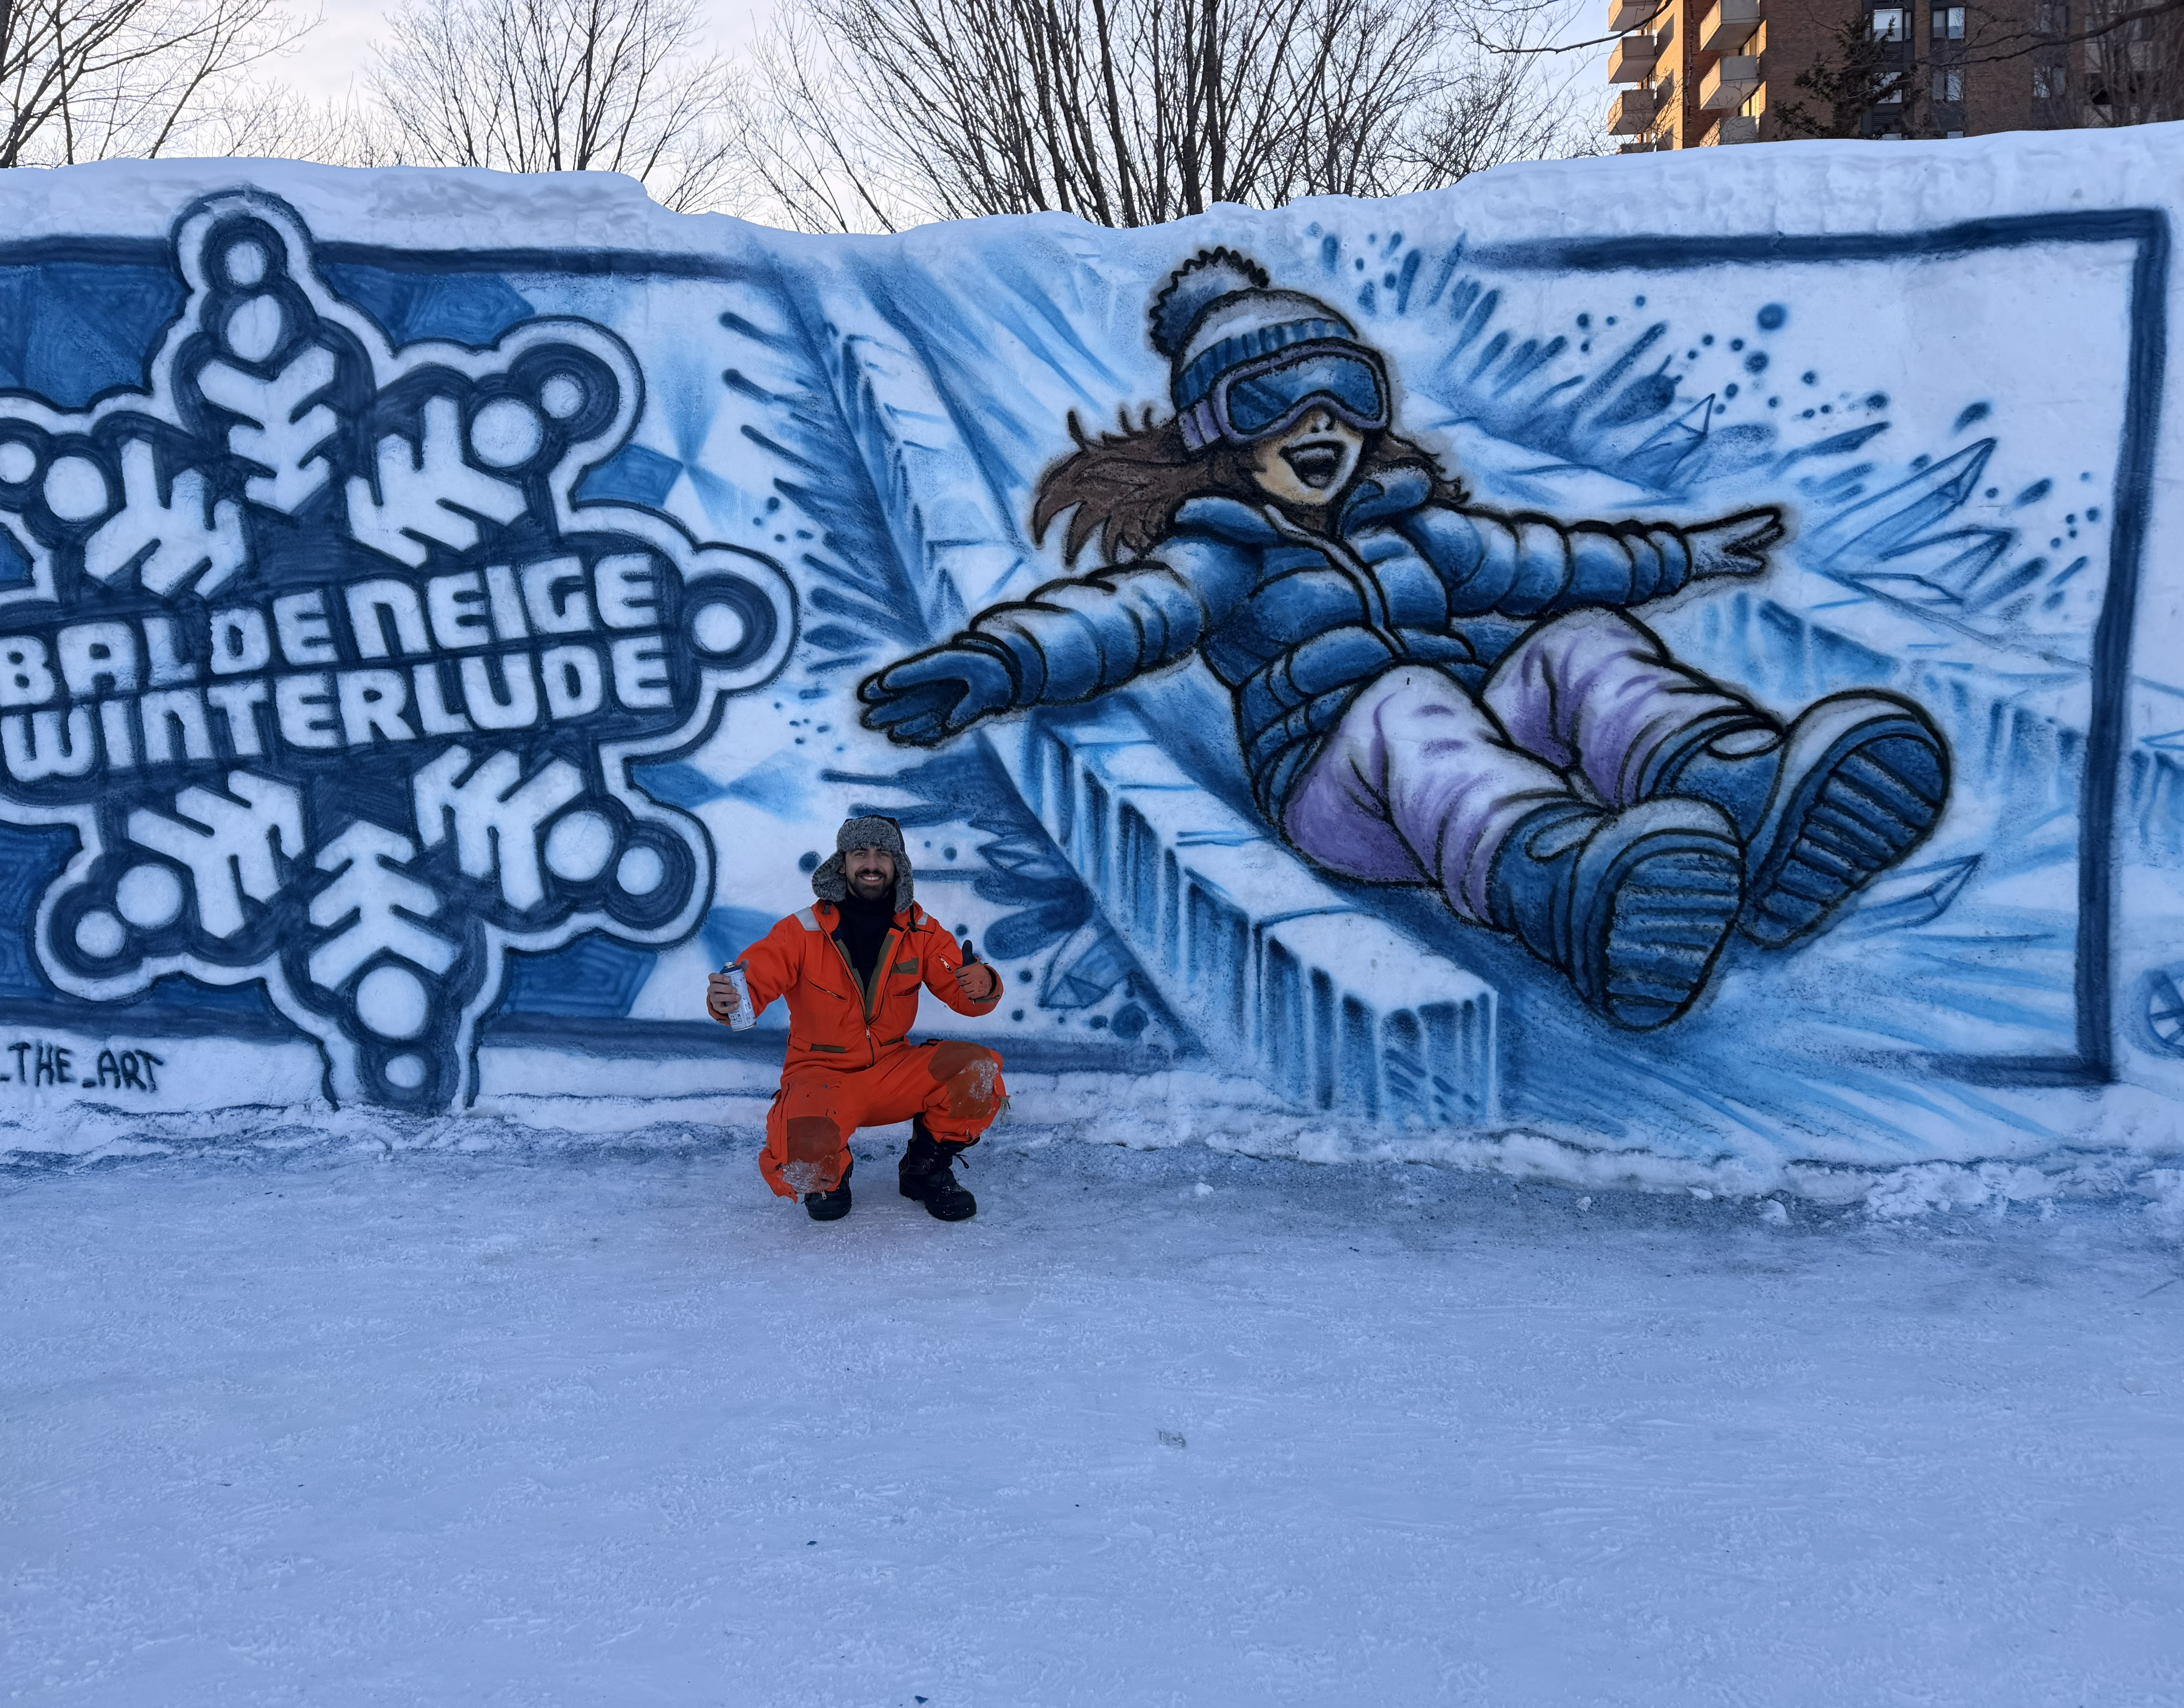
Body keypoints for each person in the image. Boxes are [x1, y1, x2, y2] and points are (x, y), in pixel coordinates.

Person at [857, 248, 1949, 1030]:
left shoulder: (1417, 526)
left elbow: (1557, 559)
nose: (1321, 422)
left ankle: (1741, 798)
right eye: (1276, 400)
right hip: (1345, 790)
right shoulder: (1224, 550)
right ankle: (1561, 889)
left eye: (1347, 393)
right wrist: (1000, 660)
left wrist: (1694, 555)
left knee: (1576, 637)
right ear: (1218, 434)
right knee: (1408, 701)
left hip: (1467, 749)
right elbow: (1129, 614)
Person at [707, 816, 1007, 1222]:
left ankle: (926, 1170)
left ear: (898, 864)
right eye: (860, 853)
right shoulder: (801, 931)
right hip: (820, 1075)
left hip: (892, 1070)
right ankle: (831, 1174)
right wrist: (727, 1001)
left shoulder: (922, 931)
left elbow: (964, 997)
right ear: (842, 862)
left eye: (883, 854)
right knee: (805, 1149)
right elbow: (756, 980)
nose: (872, 863)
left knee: (977, 1070)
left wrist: (983, 984)